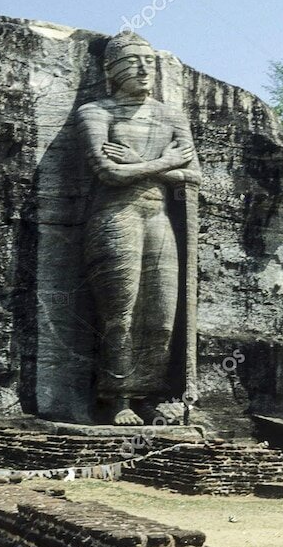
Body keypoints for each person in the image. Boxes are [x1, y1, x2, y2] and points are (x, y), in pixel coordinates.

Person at [75, 32, 200, 425]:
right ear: (112, 71)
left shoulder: (170, 116)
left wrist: (139, 164)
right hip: (115, 216)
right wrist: (163, 163)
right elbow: (108, 171)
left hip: (158, 217)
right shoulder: (96, 112)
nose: (144, 69)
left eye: (149, 61)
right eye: (132, 61)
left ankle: (148, 392)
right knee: (120, 313)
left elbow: (193, 175)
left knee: (162, 316)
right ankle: (117, 399)